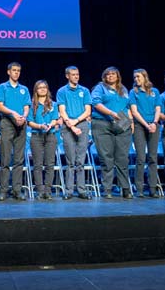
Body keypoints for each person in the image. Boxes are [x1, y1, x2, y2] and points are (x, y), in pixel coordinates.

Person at [91, 67, 133, 199]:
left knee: (122, 158)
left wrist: (131, 122)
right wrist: (111, 113)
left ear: (118, 76)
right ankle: (107, 188)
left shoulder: (123, 89)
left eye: (113, 74)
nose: (110, 76)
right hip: (103, 124)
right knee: (107, 157)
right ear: (104, 77)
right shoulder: (100, 88)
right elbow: (96, 103)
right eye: (107, 74)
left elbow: (127, 106)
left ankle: (125, 188)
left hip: (122, 124)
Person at [0, 62, 31, 200]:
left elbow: (26, 106)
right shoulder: (3, 87)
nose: (16, 73)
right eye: (14, 70)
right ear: (8, 72)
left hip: (21, 124)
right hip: (7, 123)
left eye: (18, 70)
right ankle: (3, 190)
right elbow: (0, 106)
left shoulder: (24, 89)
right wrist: (14, 114)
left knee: (19, 159)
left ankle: (17, 189)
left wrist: (24, 116)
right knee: (5, 158)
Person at [56, 66, 92, 200]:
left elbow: (88, 111)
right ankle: (69, 191)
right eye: (73, 74)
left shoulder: (85, 91)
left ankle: (82, 190)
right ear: (67, 76)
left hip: (81, 124)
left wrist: (76, 122)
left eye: (77, 74)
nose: (76, 76)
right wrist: (71, 126)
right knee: (70, 161)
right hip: (67, 126)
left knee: (80, 160)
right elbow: (62, 110)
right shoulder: (62, 91)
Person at [129, 69, 162, 197]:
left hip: (153, 125)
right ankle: (140, 189)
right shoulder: (133, 92)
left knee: (152, 158)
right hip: (140, 126)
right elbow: (134, 111)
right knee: (141, 158)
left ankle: (153, 188)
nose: (136, 79)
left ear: (144, 77)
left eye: (138, 76)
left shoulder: (155, 92)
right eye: (134, 77)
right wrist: (146, 125)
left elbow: (158, 108)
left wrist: (154, 123)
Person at [28, 80, 60, 200]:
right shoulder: (32, 105)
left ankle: (48, 190)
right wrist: (40, 126)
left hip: (50, 136)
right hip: (36, 135)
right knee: (37, 164)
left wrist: (50, 125)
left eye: (44, 87)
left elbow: (55, 119)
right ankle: (40, 190)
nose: (42, 89)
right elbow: (30, 122)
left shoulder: (53, 104)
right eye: (40, 88)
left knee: (50, 164)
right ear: (36, 90)